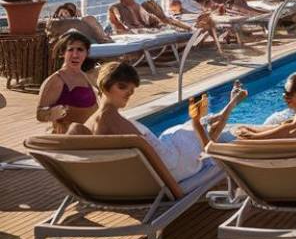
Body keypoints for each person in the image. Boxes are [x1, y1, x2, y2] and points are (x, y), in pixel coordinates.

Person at [84, 61, 246, 181]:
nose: (128, 94)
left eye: (131, 91)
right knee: (206, 133)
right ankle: (232, 103)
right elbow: (158, 164)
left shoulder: (90, 123)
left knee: (197, 125)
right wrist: (176, 193)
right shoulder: (118, 122)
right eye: (122, 87)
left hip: (169, 154)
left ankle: (230, 103)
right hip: (175, 166)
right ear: (105, 86)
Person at [36, 33, 98, 133]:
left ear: (86, 53)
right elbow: (40, 114)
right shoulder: (56, 80)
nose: (75, 55)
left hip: (87, 137)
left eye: (80, 50)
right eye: (70, 50)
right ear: (63, 53)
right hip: (68, 140)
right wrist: (54, 112)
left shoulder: (85, 76)